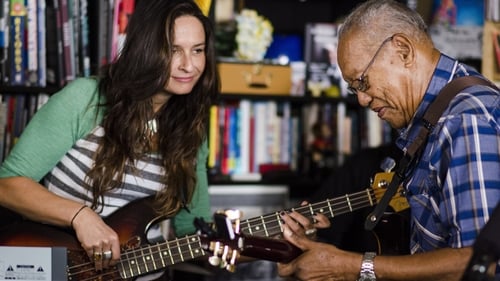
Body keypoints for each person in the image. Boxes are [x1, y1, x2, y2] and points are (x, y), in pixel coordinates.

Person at [277, 0, 500, 280]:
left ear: (402, 50)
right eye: (353, 88)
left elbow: (480, 266)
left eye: (362, 82)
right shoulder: (431, 118)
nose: (362, 99)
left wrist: (352, 267)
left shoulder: (463, 120)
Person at [0, 0, 218, 276]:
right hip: (60, 269)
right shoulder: (86, 98)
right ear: (145, 48)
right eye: (174, 50)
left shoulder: (192, 132)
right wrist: (80, 216)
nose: (189, 65)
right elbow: (7, 184)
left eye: (197, 50)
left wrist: (271, 244)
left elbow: (193, 231)